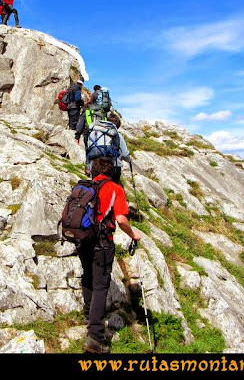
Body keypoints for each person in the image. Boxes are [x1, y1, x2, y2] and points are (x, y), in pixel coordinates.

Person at [79, 156, 141, 354]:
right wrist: (133, 234)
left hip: (83, 241)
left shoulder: (85, 186)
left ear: (94, 171)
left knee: (88, 277)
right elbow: (121, 219)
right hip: (103, 243)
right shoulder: (115, 189)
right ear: (112, 172)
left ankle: (89, 317)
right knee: (100, 287)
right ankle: (95, 338)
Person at [106, 112, 131, 185]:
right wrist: (129, 159)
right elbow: (124, 154)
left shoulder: (99, 133)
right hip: (113, 166)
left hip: (98, 165)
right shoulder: (117, 135)